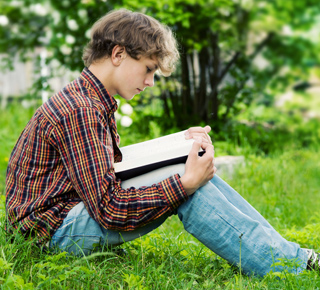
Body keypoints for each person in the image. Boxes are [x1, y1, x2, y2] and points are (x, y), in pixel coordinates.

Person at [5, 8, 319, 277]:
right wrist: (182, 186)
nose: (150, 82)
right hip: (50, 234)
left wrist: (175, 145)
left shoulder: (88, 99)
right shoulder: (82, 110)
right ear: (118, 54)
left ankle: (287, 255)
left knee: (187, 170)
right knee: (186, 183)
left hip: (60, 217)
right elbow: (108, 209)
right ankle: (285, 262)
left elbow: (106, 169)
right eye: (148, 69)